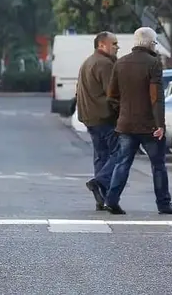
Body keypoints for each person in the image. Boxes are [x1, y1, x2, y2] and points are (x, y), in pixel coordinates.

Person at [102, 27, 172, 216]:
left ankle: (111, 200)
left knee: (123, 163)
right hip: (149, 126)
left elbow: (111, 95)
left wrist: (122, 111)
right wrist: (160, 124)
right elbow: (156, 98)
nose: (155, 46)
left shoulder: (120, 63)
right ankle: (164, 204)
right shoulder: (153, 63)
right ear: (149, 44)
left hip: (126, 124)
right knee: (158, 165)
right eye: (154, 43)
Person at [76, 31, 120, 211]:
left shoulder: (88, 62)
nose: (117, 47)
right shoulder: (105, 64)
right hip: (105, 117)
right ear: (102, 45)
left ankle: (101, 198)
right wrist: (120, 112)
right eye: (114, 44)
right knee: (120, 153)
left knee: (101, 156)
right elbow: (113, 94)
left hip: (90, 117)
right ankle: (100, 183)